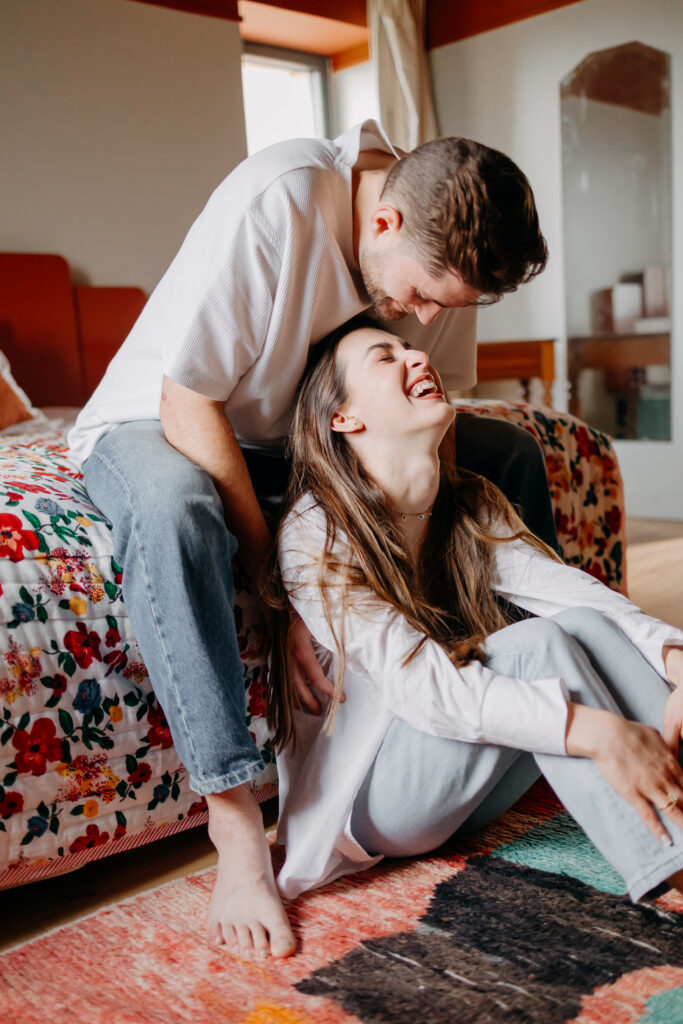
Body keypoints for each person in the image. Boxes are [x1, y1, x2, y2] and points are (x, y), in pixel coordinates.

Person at [68, 120, 555, 959]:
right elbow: (191, 405)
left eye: (452, 305)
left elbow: (431, 419)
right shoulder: (282, 198)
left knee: (508, 450)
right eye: (428, 295)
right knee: (178, 512)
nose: (429, 318)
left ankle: (514, 688)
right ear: (384, 222)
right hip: (161, 418)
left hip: (299, 440)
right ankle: (235, 824)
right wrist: (290, 587)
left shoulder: (438, 247)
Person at [267, 315, 683, 912]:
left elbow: (576, 594)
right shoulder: (316, 531)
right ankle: (671, 864)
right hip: (379, 801)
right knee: (535, 647)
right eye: (385, 358)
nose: (416, 357)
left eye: (410, 347)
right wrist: (601, 731)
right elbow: (421, 689)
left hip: (465, 782)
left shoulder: (467, 503)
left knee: (583, 626)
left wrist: (674, 657)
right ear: (344, 418)